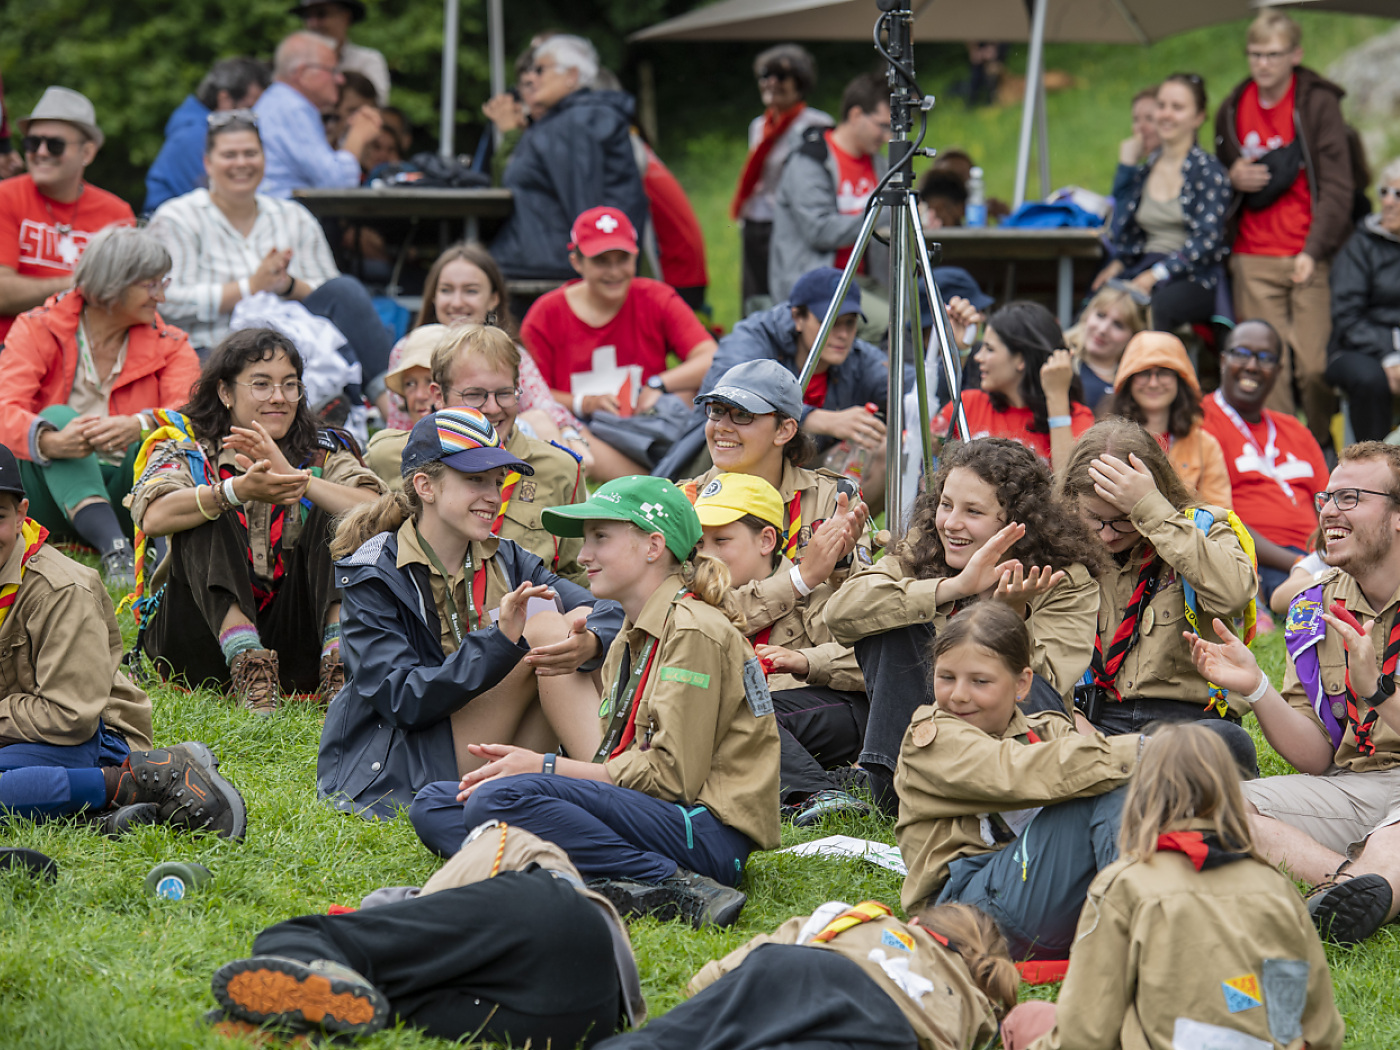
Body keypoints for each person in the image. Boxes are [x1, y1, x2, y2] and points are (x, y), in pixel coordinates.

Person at [408, 476, 780, 930]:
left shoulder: (694, 630)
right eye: (586, 541)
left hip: (704, 833)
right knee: (435, 803)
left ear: (653, 546)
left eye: (600, 538)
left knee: (497, 799)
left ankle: (674, 882)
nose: (582, 556)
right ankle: (599, 880)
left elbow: (670, 779)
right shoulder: (629, 631)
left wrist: (545, 768)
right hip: (647, 811)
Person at [318, 407, 620, 819]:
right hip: (409, 761)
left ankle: (606, 788)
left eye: (497, 481)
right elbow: (403, 700)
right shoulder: (374, 571)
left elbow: (610, 610)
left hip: (481, 742)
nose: (494, 496)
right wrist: (499, 644)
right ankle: (616, 791)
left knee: (570, 623)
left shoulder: (505, 555)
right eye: (474, 480)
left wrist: (592, 640)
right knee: (547, 626)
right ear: (425, 486)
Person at [999, 725, 1345, 1050]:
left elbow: (1086, 1032)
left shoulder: (1123, 885)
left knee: (1028, 1021)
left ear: (1139, 799)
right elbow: (1320, 1025)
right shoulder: (1275, 884)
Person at [1188, 441, 1400, 946]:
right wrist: (1258, 688)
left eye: (1350, 498)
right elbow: (1317, 756)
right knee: (1212, 807)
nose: (1328, 510)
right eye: (1327, 497)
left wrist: (1378, 689)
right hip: (1356, 783)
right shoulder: (1314, 605)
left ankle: (1363, 883)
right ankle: (1357, 887)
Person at [827, 438, 1103, 814]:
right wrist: (952, 587)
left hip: (1004, 770)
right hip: (911, 760)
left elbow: (1044, 687)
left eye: (973, 511)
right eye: (945, 504)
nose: (951, 523)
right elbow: (841, 612)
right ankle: (891, 779)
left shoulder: (1067, 579)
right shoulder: (925, 548)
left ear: (1020, 523)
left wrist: (1005, 617)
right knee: (897, 619)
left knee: (1021, 678)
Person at [0, 441, 247, 840]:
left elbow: (70, 717)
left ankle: (138, 779)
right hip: (17, 735)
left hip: (90, 737)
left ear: (20, 516)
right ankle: (100, 813)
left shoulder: (61, 589)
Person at [129, 328, 385, 713]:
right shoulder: (185, 445)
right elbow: (154, 515)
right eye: (261, 385)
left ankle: (339, 666)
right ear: (225, 392)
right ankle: (246, 659)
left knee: (342, 516)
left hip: (298, 640)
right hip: (200, 640)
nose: (279, 398)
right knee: (206, 508)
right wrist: (234, 492)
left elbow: (378, 511)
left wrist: (296, 481)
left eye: (290, 385)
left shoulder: (323, 450)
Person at [209, 823, 639, 1046]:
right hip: (584, 1021)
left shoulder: (504, 846)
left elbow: (402, 910)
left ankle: (307, 965)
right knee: (386, 1006)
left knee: (295, 935)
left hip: (556, 920)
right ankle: (292, 1024)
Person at [894, 602, 1141, 960]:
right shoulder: (930, 737)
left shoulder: (1045, 729)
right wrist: (1142, 749)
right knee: (1105, 779)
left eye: (979, 681)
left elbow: (1075, 764)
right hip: (965, 912)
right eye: (946, 677)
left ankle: (1150, 911)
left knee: (1111, 779)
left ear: (1022, 684)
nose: (959, 694)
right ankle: (1139, 928)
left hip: (1034, 891)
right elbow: (1010, 770)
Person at [149, 110, 396, 420]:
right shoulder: (176, 218)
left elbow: (331, 294)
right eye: (230, 155)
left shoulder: (294, 216)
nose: (241, 163)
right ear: (208, 163)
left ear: (264, 159)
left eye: (250, 153)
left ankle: (394, 410)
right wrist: (249, 288)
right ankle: (315, 411)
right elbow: (166, 301)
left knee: (347, 290)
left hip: (296, 349)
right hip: (212, 349)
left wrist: (288, 286)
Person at [0, 226, 200, 587]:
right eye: (151, 284)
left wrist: (137, 425)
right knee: (58, 419)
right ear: (113, 283)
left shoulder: (170, 343)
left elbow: (190, 413)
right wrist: (47, 442)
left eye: (162, 282)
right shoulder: (36, 328)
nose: (162, 297)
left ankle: (138, 547)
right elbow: (4, 409)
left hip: (137, 500)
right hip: (47, 499)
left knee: (160, 434)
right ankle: (114, 548)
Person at [1059, 419, 1260, 765]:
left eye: (1123, 519)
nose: (1107, 535)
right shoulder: (1063, 545)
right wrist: (1074, 723)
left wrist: (1152, 512)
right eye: (1094, 519)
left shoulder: (1202, 527)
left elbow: (1235, 593)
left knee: (1228, 742)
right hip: (1094, 722)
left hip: (1187, 724)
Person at [595, 900, 1016, 1050]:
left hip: (795, 966)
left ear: (920, 921)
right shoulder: (976, 1007)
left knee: (671, 1039)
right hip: (885, 1021)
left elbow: (745, 959)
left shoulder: (863, 917)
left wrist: (707, 986)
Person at [1216, 10, 1353, 449]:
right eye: (1255, 54)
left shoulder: (1316, 103)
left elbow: (1338, 184)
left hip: (1306, 252)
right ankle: (1281, 454)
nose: (1263, 64)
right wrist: (1231, 176)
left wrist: (1315, 249)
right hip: (1252, 253)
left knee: (1314, 367)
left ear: (1296, 54)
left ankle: (1317, 444)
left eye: (1273, 54)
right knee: (1264, 367)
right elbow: (1213, 176)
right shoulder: (1235, 105)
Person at [692, 472, 865, 816]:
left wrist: (805, 660)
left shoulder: (818, 592)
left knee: (743, 713)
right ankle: (826, 785)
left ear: (767, 540)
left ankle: (819, 794)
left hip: (840, 713)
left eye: (721, 540)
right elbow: (721, 617)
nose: (705, 555)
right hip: (773, 728)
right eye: (699, 545)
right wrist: (797, 581)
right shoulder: (697, 601)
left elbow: (869, 662)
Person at [366, 325, 589, 582]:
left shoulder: (560, 468)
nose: (492, 408)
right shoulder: (390, 455)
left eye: (504, 393)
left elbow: (575, 575)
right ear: (438, 395)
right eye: (475, 395)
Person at [519, 206, 716, 480]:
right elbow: (532, 393)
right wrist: (585, 403)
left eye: (622, 259)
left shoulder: (655, 297)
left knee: (695, 389)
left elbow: (710, 356)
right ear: (577, 262)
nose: (614, 271)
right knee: (549, 429)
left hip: (647, 421)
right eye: (601, 261)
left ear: (636, 257)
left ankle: (669, 472)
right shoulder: (545, 315)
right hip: (580, 427)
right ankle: (667, 476)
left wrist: (658, 384)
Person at [677, 269, 901, 507]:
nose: (843, 334)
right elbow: (730, 394)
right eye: (829, 322)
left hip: (793, 473)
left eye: (850, 323)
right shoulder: (754, 336)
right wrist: (816, 418)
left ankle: (834, 537)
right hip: (726, 463)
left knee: (887, 450)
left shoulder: (856, 356)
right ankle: (718, 523)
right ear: (797, 317)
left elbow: (911, 390)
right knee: (744, 427)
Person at [685, 358, 874, 576]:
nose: (722, 427)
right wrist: (804, 578)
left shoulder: (832, 500)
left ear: (784, 430)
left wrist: (841, 565)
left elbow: (859, 599)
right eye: (717, 411)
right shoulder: (685, 501)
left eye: (742, 415)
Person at [402, 243, 588, 461]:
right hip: (431, 451)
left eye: (471, 291)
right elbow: (398, 421)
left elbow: (543, 405)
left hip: (501, 444)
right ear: (433, 296)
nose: (457, 302)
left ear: (493, 298)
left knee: (539, 421)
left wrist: (567, 430)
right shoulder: (407, 349)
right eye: (446, 290)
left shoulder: (507, 352)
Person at [490, 35, 647, 281]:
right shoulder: (568, 120)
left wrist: (595, 276)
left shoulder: (575, 123)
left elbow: (585, 206)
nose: (533, 78)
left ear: (572, 75)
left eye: (541, 69)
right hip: (544, 261)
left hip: (551, 268)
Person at [1202, 320, 1328, 605]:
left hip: (1316, 557)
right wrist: (1301, 562)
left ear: (1278, 372)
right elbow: (1217, 515)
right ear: (1223, 360)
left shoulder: (1295, 429)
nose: (1252, 365)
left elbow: (1328, 502)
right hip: (1260, 561)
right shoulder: (1201, 420)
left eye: (1266, 358)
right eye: (1241, 353)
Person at [1097, 74, 1231, 336]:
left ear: (1199, 117)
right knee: (1096, 309)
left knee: (1153, 309)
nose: (1166, 114)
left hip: (1193, 277)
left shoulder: (1208, 172)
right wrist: (1126, 168)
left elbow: (1206, 242)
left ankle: (1147, 375)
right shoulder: (1146, 170)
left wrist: (1156, 274)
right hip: (1142, 267)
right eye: (1161, 106)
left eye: (1177, 107)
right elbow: (1120, 230)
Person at [0, 86, 135, 343]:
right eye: (32, 142)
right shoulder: (4, 197)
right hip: (9, 351)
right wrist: (82, 283)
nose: (40, 152)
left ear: (87, 152)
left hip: (87, 355)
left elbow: (124, 297)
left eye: (55, 145)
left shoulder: (117, 212)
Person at [769, 73, 891, 341]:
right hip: (817, 285)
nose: (887, 136)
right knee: (892, 326)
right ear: (857, 114)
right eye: (882, 126)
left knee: (918, 316)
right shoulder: (809, 162)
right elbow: (820, 230)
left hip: (865, 281)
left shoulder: (878, 163)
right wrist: (885, 214)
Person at [931, 300, 1095, 475]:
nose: (978, 357)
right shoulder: (970, 403)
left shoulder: (1076, 417)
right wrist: (959, 353)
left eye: (989, 349)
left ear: (1021, 359)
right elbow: (922, 446)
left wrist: (1057, 397)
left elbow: (1068, 485)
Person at [731, 44, 832, 313]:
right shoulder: (759, 126)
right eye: (766, 75)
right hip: (755, 220)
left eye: (780, 76)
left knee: (786, 293)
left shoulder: (816, 125)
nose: (771, 82)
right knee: (754, 295)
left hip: (789, 224)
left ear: (800, 83)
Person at [1105, 331, 1232, 508]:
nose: (1154, 383)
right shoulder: (1107, 439)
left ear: (1181, 379)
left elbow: (1221, 518)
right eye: (1144, 373)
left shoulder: (1206, 446)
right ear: (1128, 379)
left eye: (1164, 373)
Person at [253, 31, 382, 199]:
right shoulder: (292, 107)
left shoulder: (281, 102)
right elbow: (336, 185)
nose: (340, 79)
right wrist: (357, 135)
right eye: (333, 70)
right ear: (303, 73)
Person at [1325, 157, 1400, 443]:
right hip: (1355, 349)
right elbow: (1347, 316)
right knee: (1370, 380)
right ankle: (1374, 471)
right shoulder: (1361, 245)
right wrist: (1390, 355)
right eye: (1384, 192)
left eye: (1398, 194)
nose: (1389, 202)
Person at [143, 57, 271, 215]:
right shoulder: (194, 137)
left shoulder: (195, 128)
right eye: (249, 108)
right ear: (224, 99)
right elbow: (229, 198)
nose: (253, 117)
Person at [1063, 285, 1146, 414]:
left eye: (1118, 325)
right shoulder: (1060, 362)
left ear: (1134, 336)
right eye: (1100, 315)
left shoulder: (1140, 381)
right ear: (1088, 314)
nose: (1103, 329)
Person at [292, 0, 390, 106]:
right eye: (307, 16)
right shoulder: (294, 64)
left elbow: (376, 107)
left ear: (345, 17)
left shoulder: (368, 61)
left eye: (321, 14)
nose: (313, 23)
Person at [1108, 86, 1161, 205]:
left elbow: (1121, 214)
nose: (1140, 127)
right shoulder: (1147, 168)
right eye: (1136, 119)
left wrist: (1126, 167)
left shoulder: (1170, 168)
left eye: (1149, 119)